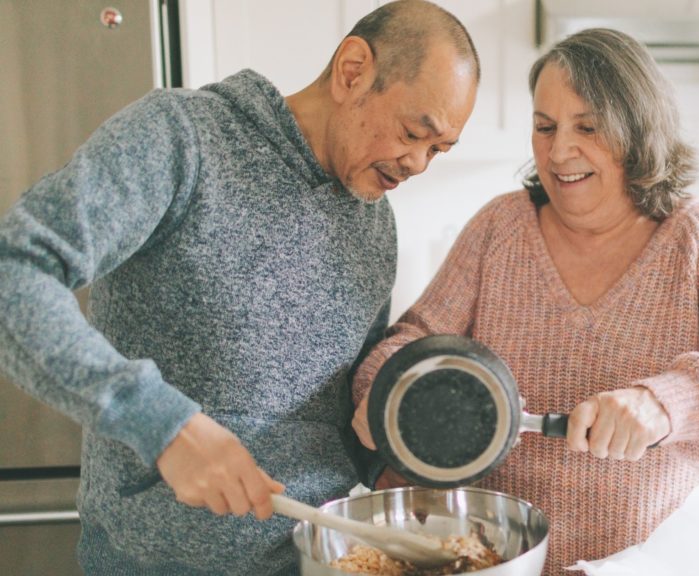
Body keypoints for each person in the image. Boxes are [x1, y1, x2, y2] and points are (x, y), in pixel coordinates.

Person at [0, 1, 478, 574]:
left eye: (438, 150)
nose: (419, 164)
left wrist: (389, 466)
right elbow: (15, 273)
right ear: (353, 70)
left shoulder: (374, 222)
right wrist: (162, 423)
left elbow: (334, 408)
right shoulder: (183, 139)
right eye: (413, 133)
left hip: (317, 561)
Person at [351, 28, 699, 574]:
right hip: (504, 560)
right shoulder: (500, 228)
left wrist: (668, 402)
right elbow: (414, 340)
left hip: (662, 562)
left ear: (638, 131)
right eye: (544, 127)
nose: (558, 151)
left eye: (588, 128)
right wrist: (384, 393)